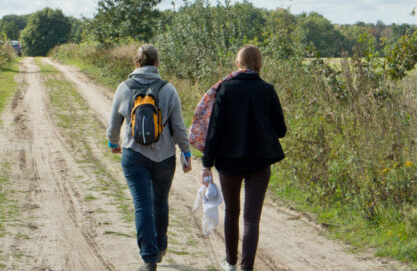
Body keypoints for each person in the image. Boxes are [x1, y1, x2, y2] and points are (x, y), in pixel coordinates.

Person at [201, 45, 287, 271]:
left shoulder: (225, 89)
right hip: (260, 162)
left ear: (238, 64)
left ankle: (230, 263)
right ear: (260, 64)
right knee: (251, 219)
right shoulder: (268, 90)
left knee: (232, 212)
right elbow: (281, 130)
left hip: (229, 162)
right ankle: (246, 268)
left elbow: (215, 129)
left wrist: (207, 164)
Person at [107, 44, 192, 271]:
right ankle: (161, 246)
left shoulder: (124, 87)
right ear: (157, 64)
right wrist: (186, 152)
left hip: (133, 155)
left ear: (136, 63)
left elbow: (113, 126)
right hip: (164, 157)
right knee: (160, 202)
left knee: (142, 205)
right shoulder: (168, 89)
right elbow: (179, 128)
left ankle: (148, 259)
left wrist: (114, 143)